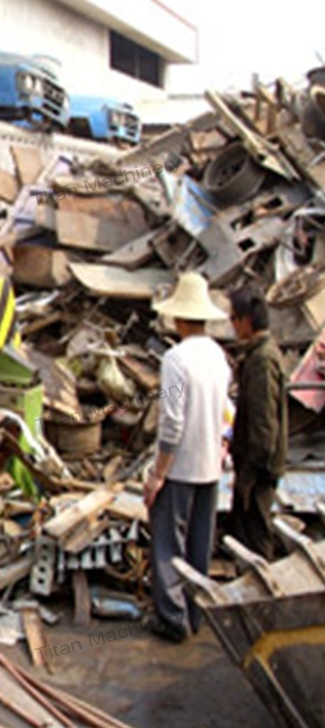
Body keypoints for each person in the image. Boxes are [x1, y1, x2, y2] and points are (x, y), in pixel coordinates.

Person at [144, 272, 230, 642]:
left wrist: (157, 474)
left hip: (181, 466)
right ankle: (196, 613)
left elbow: (172, 421)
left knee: (167, 544)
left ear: (179, 319)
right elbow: (228, 411)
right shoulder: (218, 356)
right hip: (210, 466)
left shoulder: (175, 359)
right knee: (199, 543)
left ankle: (172, 618)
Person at [228, 284, 287, 559]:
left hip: (259, 467)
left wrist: (248, 477)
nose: (232, 327)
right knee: (248, 531)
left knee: (256, 534)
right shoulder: (258, 354)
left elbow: (264, 428)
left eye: (233, 320)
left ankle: (262, 597)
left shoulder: (262, 361)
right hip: (256, 463)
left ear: (246, 321)